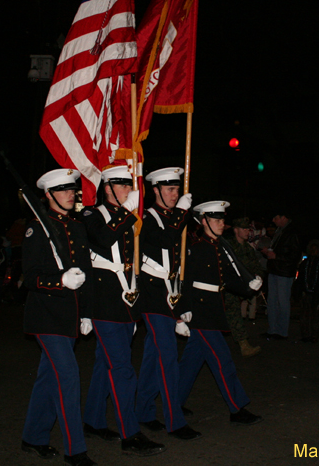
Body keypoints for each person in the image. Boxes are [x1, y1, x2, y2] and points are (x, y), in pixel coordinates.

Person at [83, 164, 165, 457]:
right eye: (123, 186)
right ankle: (130, 433)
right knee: (123, 369)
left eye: (131, 187)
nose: (130, 192)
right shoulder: (92, 214)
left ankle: (92, 420)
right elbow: (102, 240)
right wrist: (127, 211)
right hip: (104, 304)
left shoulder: (127, 219)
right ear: (108, 188)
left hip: (127, 304)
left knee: (105, 365)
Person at [20, 168, 96, 466]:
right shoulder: (36, 228)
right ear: (48, 195)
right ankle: (75, 450)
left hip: (70, 315)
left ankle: (34, 437)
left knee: (48, 377)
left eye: (73, 189)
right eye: (64, 190)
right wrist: (60, 281)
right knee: (68, 376)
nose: (71, 194)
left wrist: (87, 313)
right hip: (46, 316)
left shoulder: (76, 228)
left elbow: (86, 274)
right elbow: (30, 277)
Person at [177, 201, 263, 426]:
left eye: (223, 220)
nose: (222, 224)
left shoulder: (220, 246)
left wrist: (248, 287)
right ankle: (237, 407)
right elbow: (184, 280)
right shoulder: (195, 246)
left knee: (191, 362)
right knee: (222, 360)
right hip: (200, 310)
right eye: (217, 220)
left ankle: (174, 401)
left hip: (214, 307)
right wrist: (182, 310)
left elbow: (227, 278)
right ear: (204, 221)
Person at [134, 167, 201, 440]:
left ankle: (144, 411)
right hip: (151, 295)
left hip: (170, 292)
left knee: (153, 357)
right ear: (156, 190)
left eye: (177, 189)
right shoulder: (147, 218)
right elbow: (165, 239)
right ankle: (175, 420)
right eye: (169, 189)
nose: (174, 194)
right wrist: (183, 213)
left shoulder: (174, 217)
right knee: (169, 356)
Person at [225, 217, 264, 356]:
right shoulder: (228, 246)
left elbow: (256, 266)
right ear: (236, 230)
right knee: (233, 313)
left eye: (248, 229)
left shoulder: (248, 249)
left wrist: (258, 278)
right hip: (227, 287)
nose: (247, 231)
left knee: (231, 315)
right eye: (244, 229)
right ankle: (243, 344)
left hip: (240, 288)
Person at [262, 211, 302, 340]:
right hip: (274, 269)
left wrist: (276, 256)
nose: (273, 220)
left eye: (276, 217)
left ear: (284, 217)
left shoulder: (292, 232)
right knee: (272, 301)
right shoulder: (280, 231)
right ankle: (273, 329)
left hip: (284, 272)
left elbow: (295, 255)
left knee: (282, 302)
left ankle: (282, 331)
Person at [295, 239, 319, 343]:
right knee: (304, 316)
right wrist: (297, 292)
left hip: (316, 294)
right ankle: (305, 335)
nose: (313, 252)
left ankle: (314, 336)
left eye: (315, 250)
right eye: (312, 249)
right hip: (306, 293)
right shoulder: (305, 264)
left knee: (316, 316)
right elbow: (300, 279)